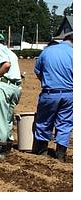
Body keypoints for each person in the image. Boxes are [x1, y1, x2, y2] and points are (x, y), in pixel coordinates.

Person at [32, 31, 72, 161]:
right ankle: (60, 154)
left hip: (50, 93)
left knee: (44, 121)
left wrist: (47, 81)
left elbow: (37, 71)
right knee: (65, 123)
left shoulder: (47, 51)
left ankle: (42, 151)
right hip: (69, 94)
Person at [0, 32, 22, 159]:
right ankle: (8, 142)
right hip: (16, 87)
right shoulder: (11, 51)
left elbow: (6, 65)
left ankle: (1, 147)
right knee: (8, 116)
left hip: (5, 85)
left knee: (0, 116)